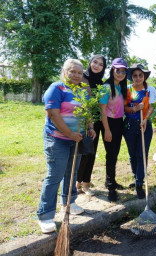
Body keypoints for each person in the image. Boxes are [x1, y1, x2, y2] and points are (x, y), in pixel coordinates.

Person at [37, 59, 96, 233]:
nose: (77, 75)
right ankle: (45, 215)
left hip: (76, 139)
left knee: (72, 172)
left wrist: (90, 127)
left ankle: (69, 202)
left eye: (79, 72)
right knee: (55, 175)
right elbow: (53, 115)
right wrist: (70, 134)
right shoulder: (56, 88)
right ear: (64, 71)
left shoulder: (82, 92)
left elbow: (88, 112)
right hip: (57, 139)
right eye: (73, 71)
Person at [123, 64, 156, 199]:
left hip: (144, 125)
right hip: (129, 125)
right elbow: (124, 108)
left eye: (140, 75)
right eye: (135, 75)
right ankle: (136, 176)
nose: (137, 78)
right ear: (132, 77)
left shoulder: (150, 90)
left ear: (144, 77)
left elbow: (152, 107)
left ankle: (139, 183)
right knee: (132, 154)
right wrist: (135, 109)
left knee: (142, 154)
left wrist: (145, 119)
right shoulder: (127, 90)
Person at [76, 54, 106, 195]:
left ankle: (86, 182)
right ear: (90, 62)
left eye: (101, 64)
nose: (97, 66)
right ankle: (77, 182)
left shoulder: (101, 83)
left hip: (96, 121)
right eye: (95, 62)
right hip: (82, 120)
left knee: (91, 151)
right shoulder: (81, 78)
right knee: (81, 152)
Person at [99, 58, 128, 202]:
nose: (120, 73)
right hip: (109, 123)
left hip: (119, 123)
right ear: (112, 70)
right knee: (110, 154)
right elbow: (102, 110)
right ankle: (111, 188)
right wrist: (107, 130)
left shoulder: (121, 87)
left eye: (123, 71)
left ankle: (110, 180)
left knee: (115, 153)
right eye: (118, 70)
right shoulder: (106, 87)